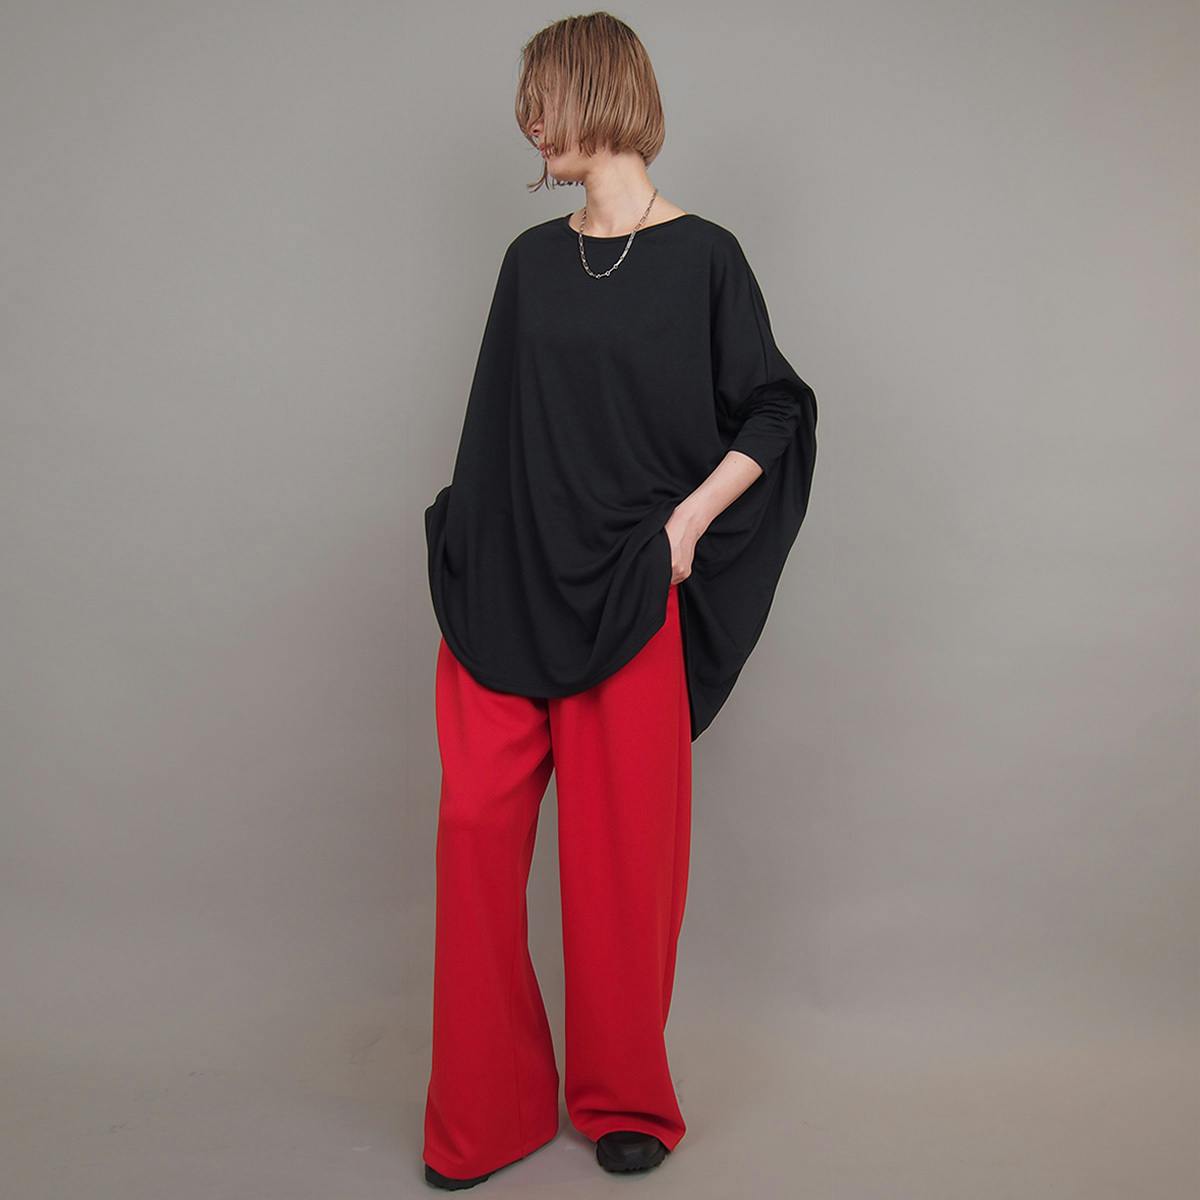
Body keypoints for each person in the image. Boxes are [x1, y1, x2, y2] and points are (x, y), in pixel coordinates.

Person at [420, 11, 817, 1190]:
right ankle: (486, 1112)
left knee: (620, 869)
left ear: (595, 96)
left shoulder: (707, 258)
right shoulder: (530, 262)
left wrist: (686, 526)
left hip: (629, 597)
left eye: (540, 101)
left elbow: (777, 407)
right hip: (509, 585)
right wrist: (465, 543)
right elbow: (496, 428)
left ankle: (624, 1100)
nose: (528, 125)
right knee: (473, 841)